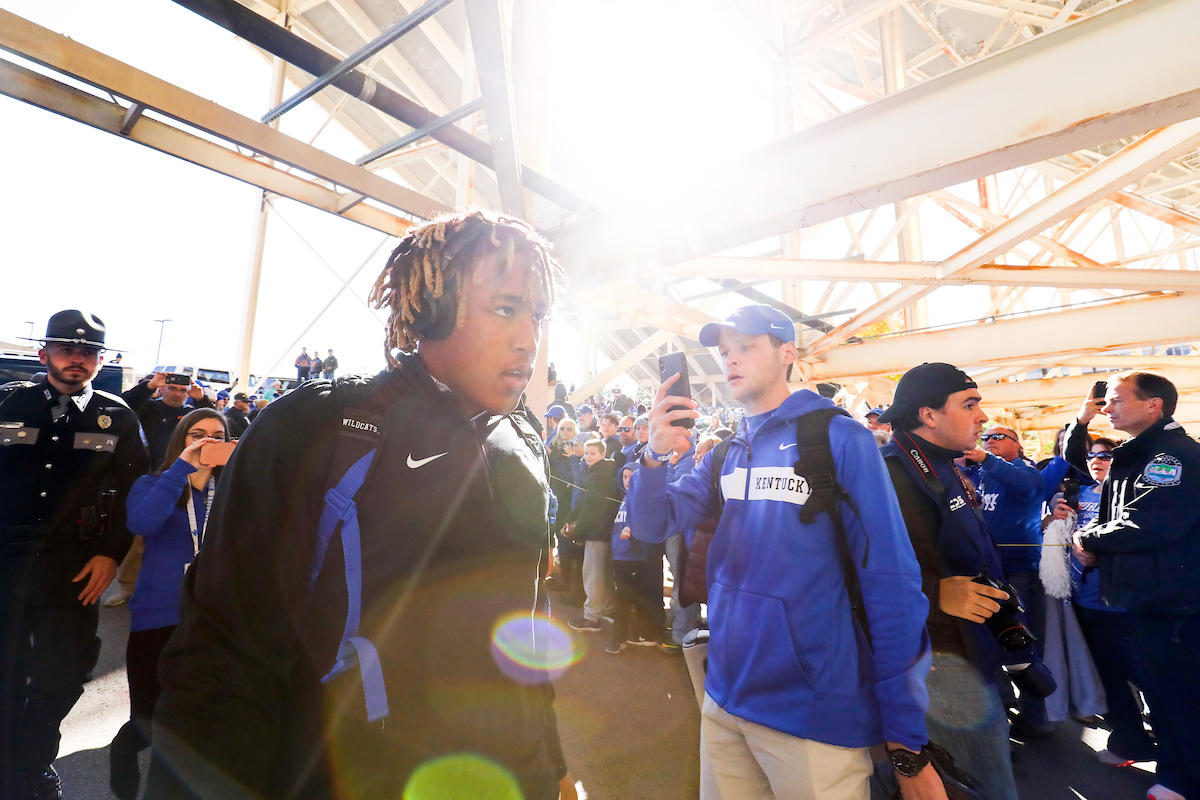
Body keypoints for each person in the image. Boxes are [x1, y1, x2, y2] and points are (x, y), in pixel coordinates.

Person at [145, 209, 576, 800]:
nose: (529, 338)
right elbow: (222, 659)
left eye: (538, 315)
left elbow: (526, 631)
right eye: (505, 308)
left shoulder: (523, 439)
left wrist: (551, 767)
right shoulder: (317, 426)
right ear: (432, 309)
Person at [628, 304, 942, 800]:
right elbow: (650, 524)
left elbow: (892, 582)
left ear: (787, 353)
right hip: (724, 695)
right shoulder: (727, 449)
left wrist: (904, 733)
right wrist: (653, 454)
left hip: (814, 712)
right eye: (725, 351)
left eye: (746, 347)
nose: (731, 360)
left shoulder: (840, 437)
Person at [0, 310, 150, 800]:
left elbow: (135, 494)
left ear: (99, 360)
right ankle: (12, 770)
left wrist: (111, 555)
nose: (77, 359)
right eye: (67, 349)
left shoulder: (117, 416)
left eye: (88, 352)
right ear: (44, 354)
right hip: (7, 562)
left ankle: (34, 761)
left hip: (76, 566)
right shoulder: (8, 403)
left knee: (63, 674)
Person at [876, 363, 1038, 800]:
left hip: (970, 650)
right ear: (928, 415)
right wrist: (933, 593)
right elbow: (846, 568)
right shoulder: (888, 473)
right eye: (969, 405)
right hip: (937, 664)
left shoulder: (943, 465)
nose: (982, 417)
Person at [1069, 372, 1200, 800]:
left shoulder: (1171, 456)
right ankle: (1176, 773)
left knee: (1179, 695)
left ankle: (1185, 780)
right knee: (1164, 694)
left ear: (1152, 405)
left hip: (1173, 601)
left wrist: (1088, 538)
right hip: (1153, 598)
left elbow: (1150, 522)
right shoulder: (1142, 451)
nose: (1106, 408)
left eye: (1116, 400)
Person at [109, 409, 230, 800]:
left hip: (212, 620)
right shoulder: (153, 483)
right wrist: (181, 469)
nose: (208, 441)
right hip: (158, 617)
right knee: (147, 721)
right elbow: (142, 524)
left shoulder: (233, 492)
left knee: (198, 722)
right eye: (198, 434)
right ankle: (124, 751)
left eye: (218, 435)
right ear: (181, 440)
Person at [1047, 435, 1157, 767]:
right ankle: (1129, 743)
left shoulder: (1139, 496)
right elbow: (1051, 540)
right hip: (1085, 603)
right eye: (1092, 456)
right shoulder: (1074, 495)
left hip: (1126, 606)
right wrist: (1052, 519)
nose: (1097, 460)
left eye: (1106, 455)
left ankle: (1176, 752)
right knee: (1109, 680)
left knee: (1152, 681)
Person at [972, 424, 1052, 737]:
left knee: (1025, 645)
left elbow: (1029, 486)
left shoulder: (1025, 471)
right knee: (991, 642)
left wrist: (984, 458)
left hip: (1020, 571)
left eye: (998, 436)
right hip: (991, 572)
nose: (989, 441)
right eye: (985, 437)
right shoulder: (985, 474)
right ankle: (1008, 706)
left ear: (1017, 444)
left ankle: (1037, 717)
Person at [607, 462, 665, 654]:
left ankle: (621, 638)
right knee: (625, 598)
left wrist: (634, 532)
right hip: (620, 556)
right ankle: (636, 634)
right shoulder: (625, 498)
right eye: (624, 477)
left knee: (625, 599)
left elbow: (650, 523)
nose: (627, 480)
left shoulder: (644, 499)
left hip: (635, 557)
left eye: (632, 477)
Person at [563, 439, 620, 634]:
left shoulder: (600, 475)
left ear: (602, 454)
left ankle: (591, 618)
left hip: (598, 532)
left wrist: (577, 530)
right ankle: (607, 610)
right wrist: (571, 518)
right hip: (601, 531)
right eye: (586, 453)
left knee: (593, 575)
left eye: (593, 453)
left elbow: (590, 506)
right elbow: (585, 502)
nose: (588, 456)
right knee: (603, 574)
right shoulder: (598, 472)